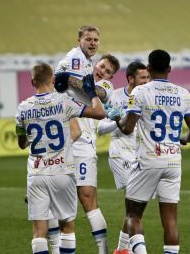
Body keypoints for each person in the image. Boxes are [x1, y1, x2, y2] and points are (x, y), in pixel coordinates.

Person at [110, 49, 190, 254]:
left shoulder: (140, 92)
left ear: (149, 69)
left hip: (148, 160)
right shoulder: (184, 94)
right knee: (170, 221)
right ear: (169, 69)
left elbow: (127, 128)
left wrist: (116, 118)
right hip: (173, 162)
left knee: (133, 215)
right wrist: (182, 140)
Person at [15, 63, 106, 254]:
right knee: (67, 226)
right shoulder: (64, 102)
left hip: (36, 174)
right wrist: (92, 94)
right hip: (62, 172)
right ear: (53, 80)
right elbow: (99, 112)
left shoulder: (23, 108)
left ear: (33, 82)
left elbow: (22, 143)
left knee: (39, 231)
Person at [54, 25, 120, 254]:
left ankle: (102, 250)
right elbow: (66, 81)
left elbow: (99, 95)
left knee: (88, 200)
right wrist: (70, 80)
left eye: (108, 71)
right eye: (102, 66)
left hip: (84, 147)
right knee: (60, 203)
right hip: (67, 140)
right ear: (80, 40)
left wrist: (75, 82)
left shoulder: (105, 86)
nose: (103, 71)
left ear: (111, 77)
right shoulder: (78, 62)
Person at [97, 62, 150, 254]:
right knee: (136, 201)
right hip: (120, 154)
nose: (147, 81)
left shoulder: (146, 96)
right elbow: (100, 128)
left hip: (140, 154)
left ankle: (121, 249)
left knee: (135, 207)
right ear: (130, 79)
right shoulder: (115, 96)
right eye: (143, 78)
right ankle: (127, 249)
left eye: (148, 78)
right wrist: (119, 119)